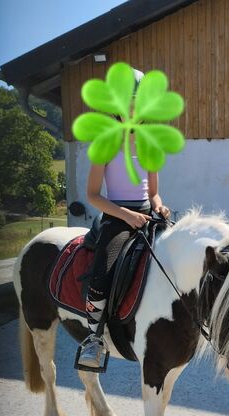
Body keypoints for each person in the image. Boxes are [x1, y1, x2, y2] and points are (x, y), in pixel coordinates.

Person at [77, 69, 171, 369]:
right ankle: (93, 338)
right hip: (117, 215)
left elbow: (153, 192)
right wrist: (125, 215)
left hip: (146, 215)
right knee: (102, 271)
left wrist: (160, 206)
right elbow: (93, 195)